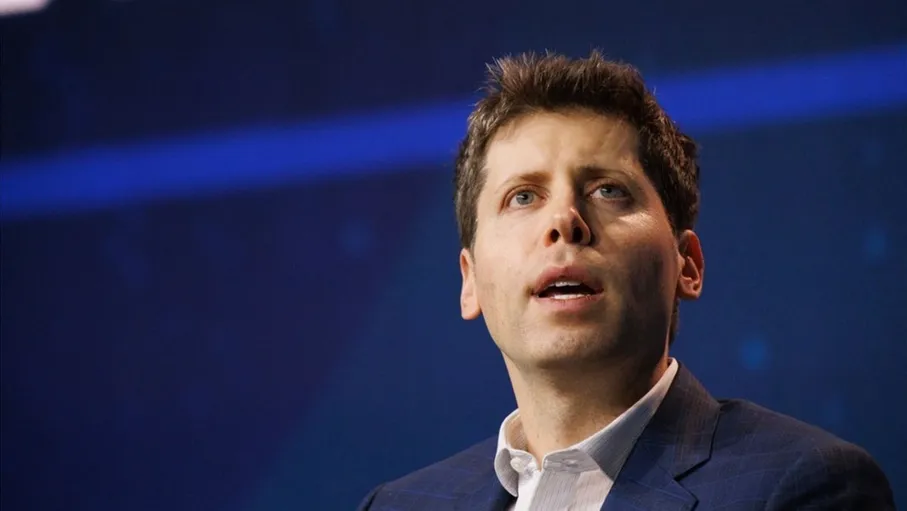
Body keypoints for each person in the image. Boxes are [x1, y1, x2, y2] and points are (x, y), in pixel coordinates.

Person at [356, 51, 895, 510]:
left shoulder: (805, 486)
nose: (564, 220)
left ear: (687, 265)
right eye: (522, 196)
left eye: (608, 190)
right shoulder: (398, 505)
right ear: (470, 280)